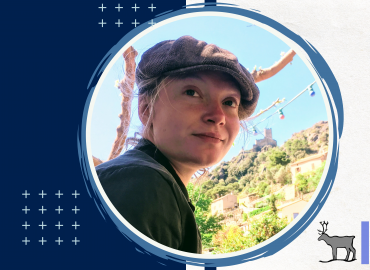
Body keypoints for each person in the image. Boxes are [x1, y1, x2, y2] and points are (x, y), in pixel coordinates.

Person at [96, 35, 259, 254]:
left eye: (229, 102)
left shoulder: (156, 184)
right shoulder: (142, 182)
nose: (218, 115)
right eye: (192, 92)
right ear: (146, 109)